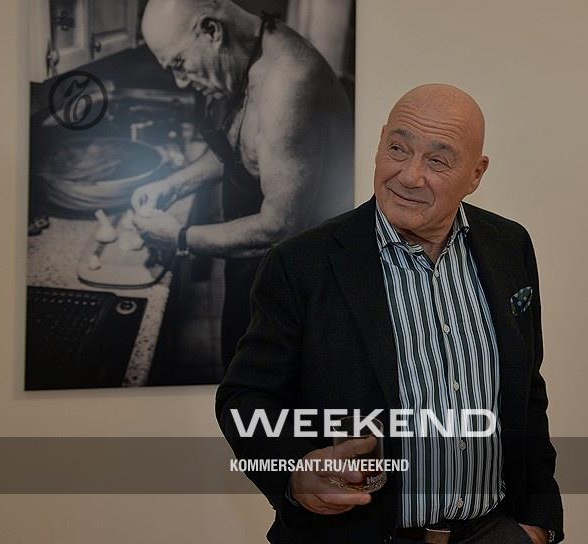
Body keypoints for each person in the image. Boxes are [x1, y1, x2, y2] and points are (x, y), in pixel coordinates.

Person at [216, 84, 563, 543]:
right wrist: (296, 473)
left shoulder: (509, 246)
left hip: (492, 530)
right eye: (398, 149)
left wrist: (537, 524)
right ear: (380, 143)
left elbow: (527, 390)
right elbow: (245, 398)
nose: (409, 176)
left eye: (437, 160)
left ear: (476, 174)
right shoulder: (300, 264)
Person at [132, 0, 353, 367]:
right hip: (256, 268)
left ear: (211, 31)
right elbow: (245, 152)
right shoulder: (245, 59)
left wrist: (180, 238)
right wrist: (175, 184)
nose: (180, 81)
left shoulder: (289, 84)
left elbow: (280, 227)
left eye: (179, 64)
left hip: (304, 292)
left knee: (268, 391)